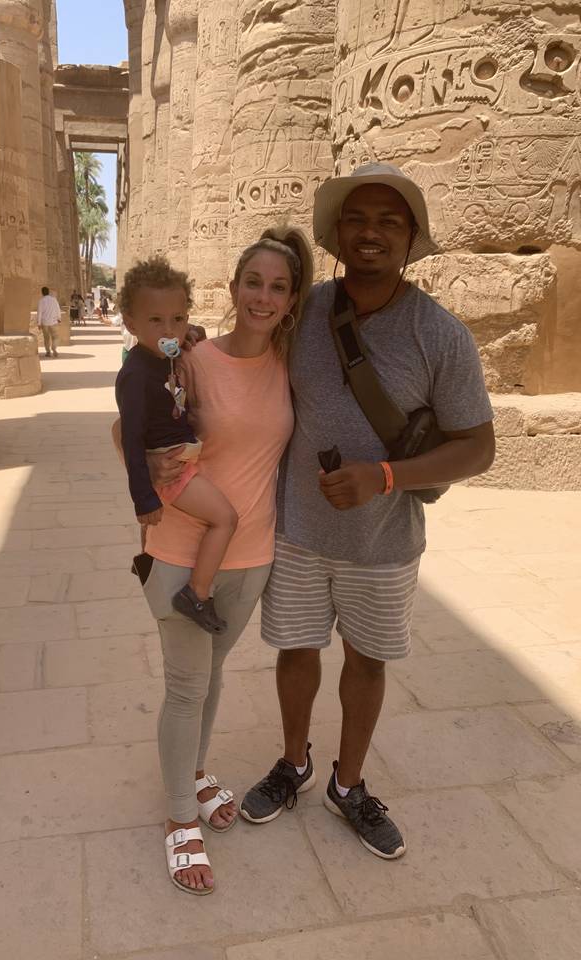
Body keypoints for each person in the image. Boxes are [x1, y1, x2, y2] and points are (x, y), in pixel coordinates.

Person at [239, 163, 496, 860]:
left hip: (383, 543)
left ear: (412, 238)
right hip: (297, 531)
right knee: (296, 651)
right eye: (358, 218)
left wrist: (385, 476)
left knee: (368, 661)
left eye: (390, 220)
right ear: (336, 234)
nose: (372, 232)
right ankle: (293, 763)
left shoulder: (441, 336)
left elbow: (478, 447)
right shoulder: (306, 309)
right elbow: (247, 362)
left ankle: (347, 785)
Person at [113, 228, 312, 895]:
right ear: (233, 289)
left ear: (290, 299)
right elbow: (126, 426)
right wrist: (150, 480)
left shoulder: (291, 363)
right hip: (179, 549)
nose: (263, 296)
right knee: (185, 687)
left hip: (250, 554)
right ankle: (177, 820)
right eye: (252, 282)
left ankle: (192, 771)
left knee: (214, 673)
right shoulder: (192, 358)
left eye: (278, 286)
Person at [115, 255, 239, 633]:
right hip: (169, 468)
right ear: (131, 323)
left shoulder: (164, 352)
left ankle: (152, 563)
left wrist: (191, 332)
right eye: (156, 320)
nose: (169, 329)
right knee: (225, 519)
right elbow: (132, 441)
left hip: (182, 457)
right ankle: (196, 594)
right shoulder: (134, 375)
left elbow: (179, 334)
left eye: (178, 318)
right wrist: (144, 498)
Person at [37, 285, 61, 358]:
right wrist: (59, 318)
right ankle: (54, 348)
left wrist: (39, 323)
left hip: (45, 322)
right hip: (53, 321)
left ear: (42, 293)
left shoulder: (41, 301)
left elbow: (39, 312)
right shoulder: (54, 300)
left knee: (46, 338)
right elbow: (58, 309)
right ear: (48, 292)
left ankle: (48, 351)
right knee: (55, 336)